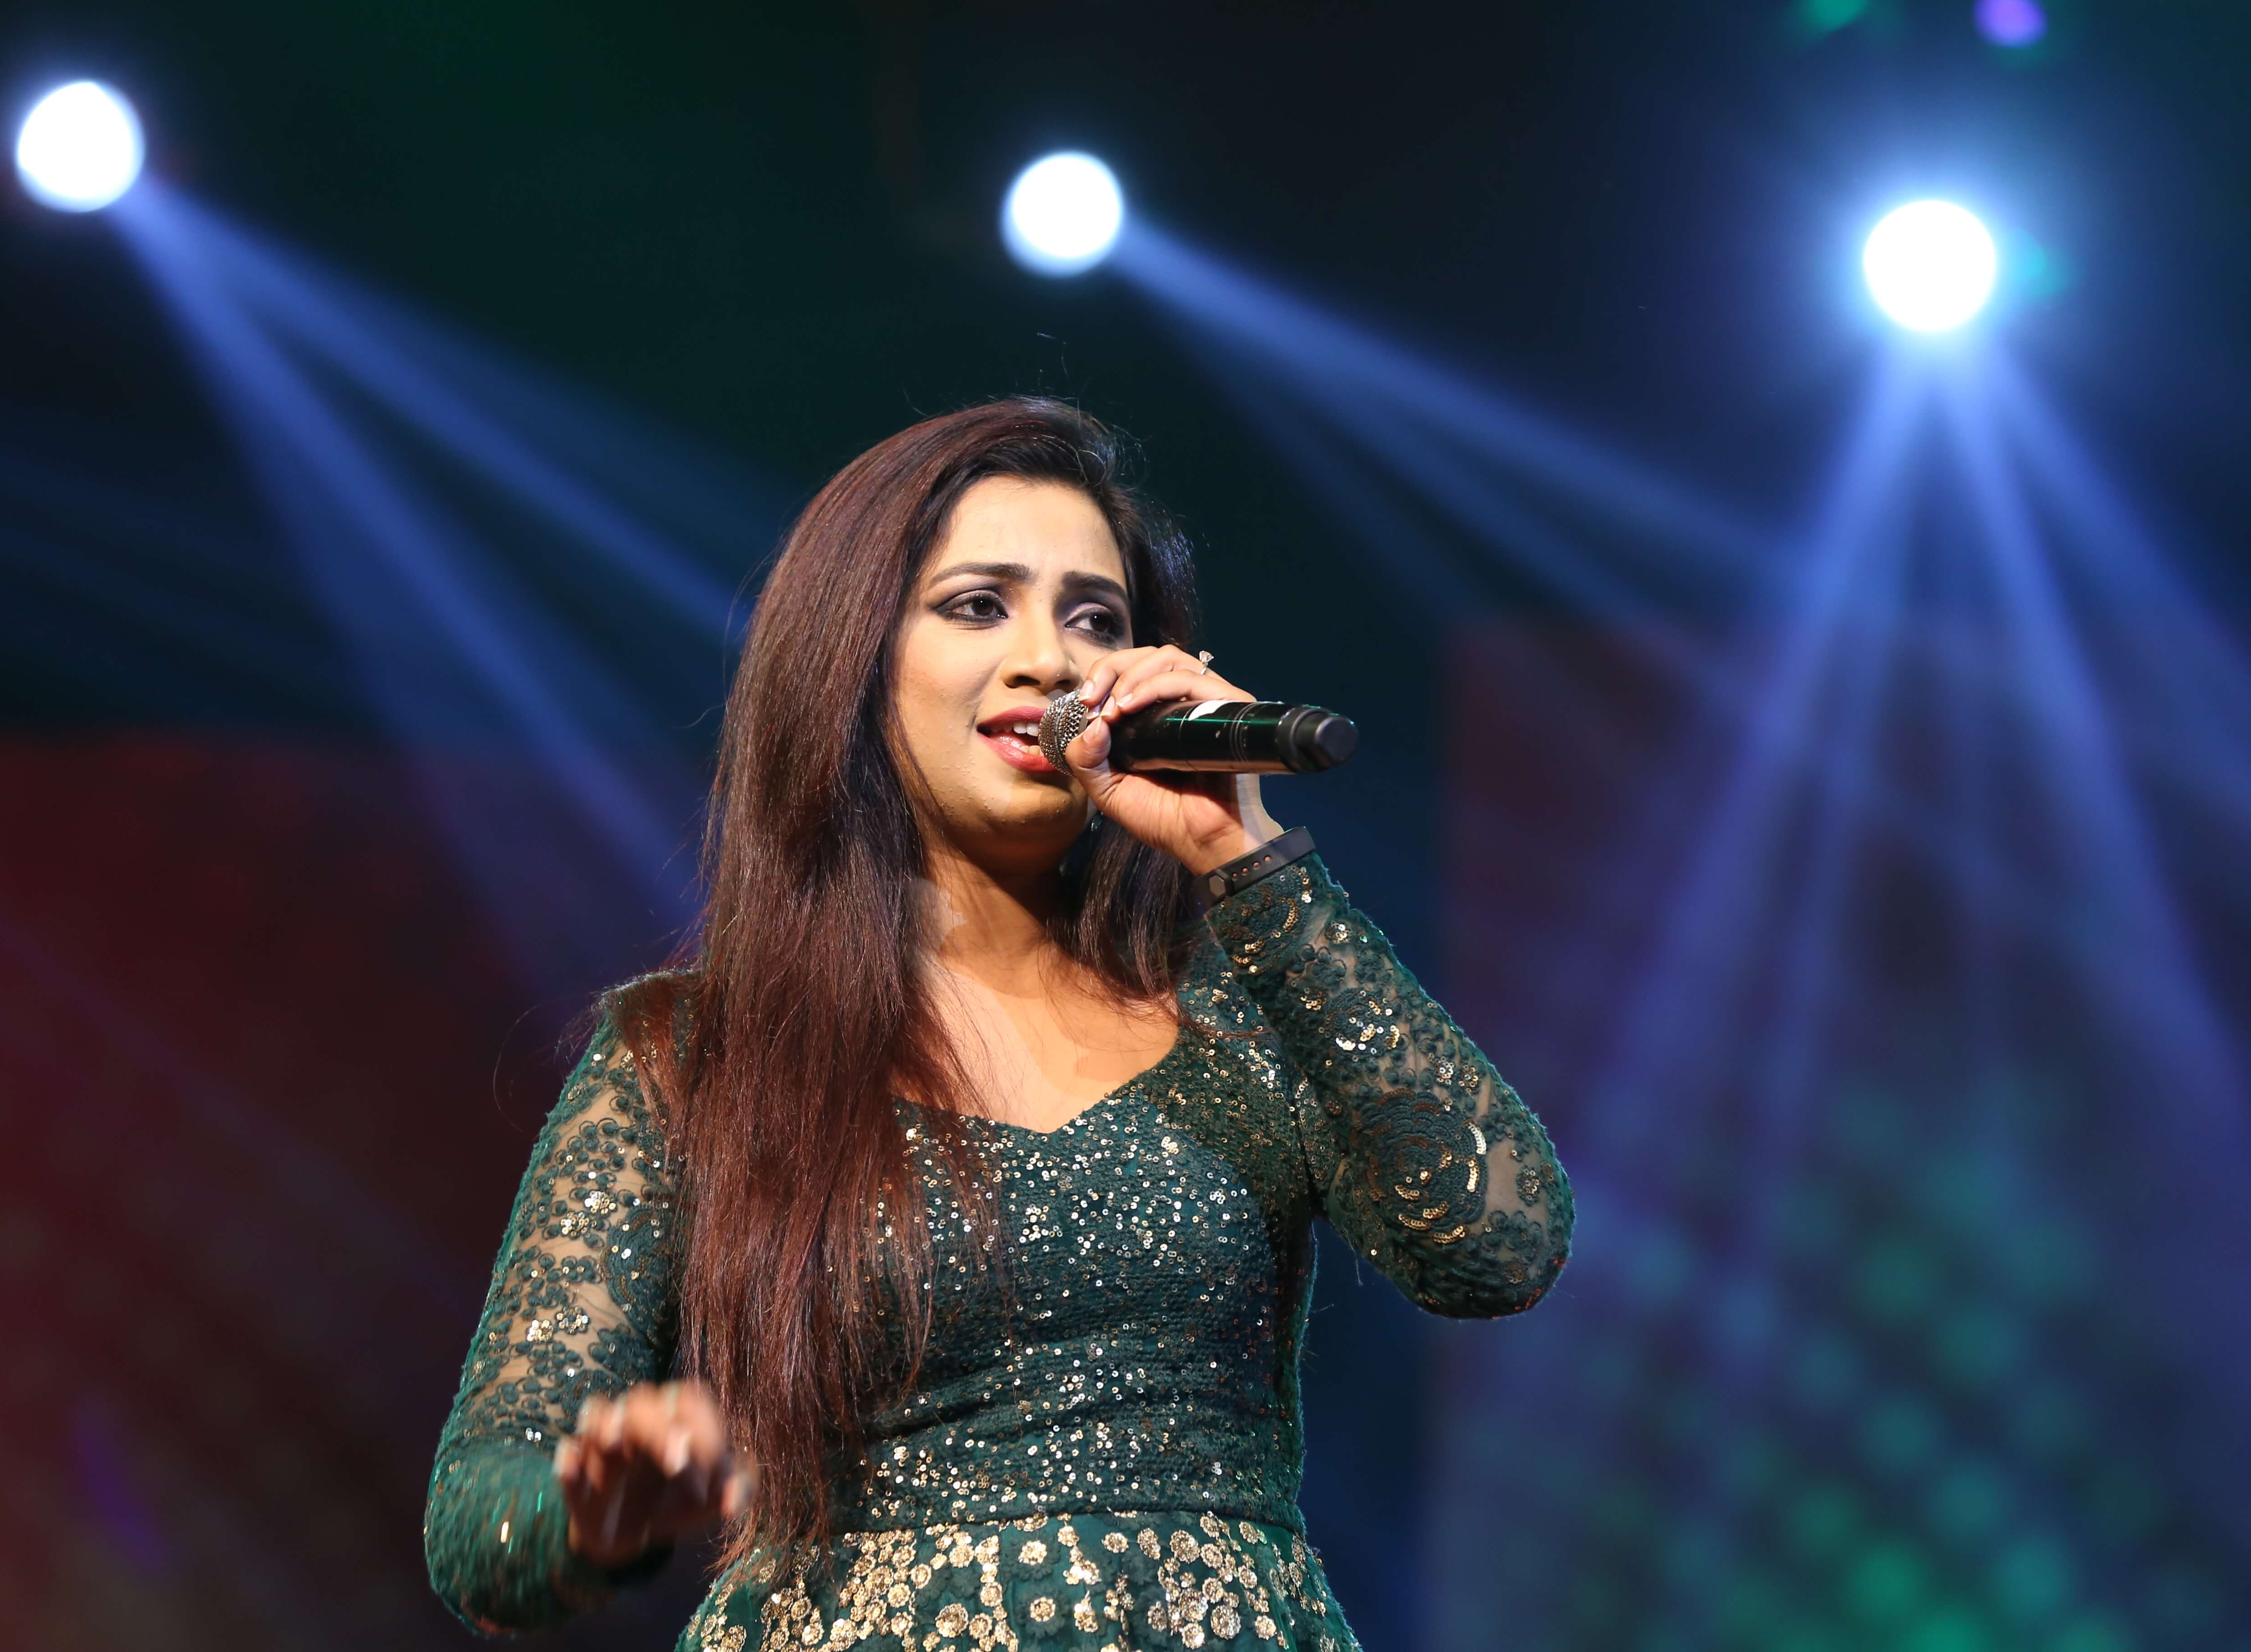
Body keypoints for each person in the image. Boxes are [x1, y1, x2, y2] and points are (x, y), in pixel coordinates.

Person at [423, 399, 1572, 1652]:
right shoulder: (693, 1059)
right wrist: (596, 1514)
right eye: (980, 605)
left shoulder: (1242, 1015)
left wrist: (1250, 863)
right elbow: (479, 1520)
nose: (1052, 660)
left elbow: (1500, 1242)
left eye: (1098, 618)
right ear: (855, 662)